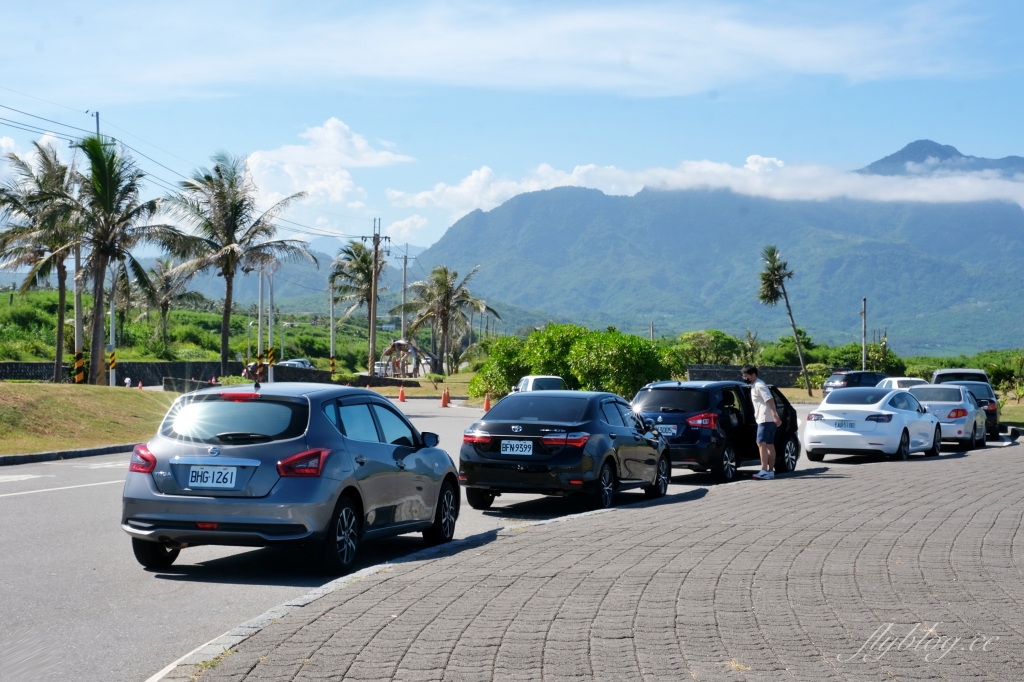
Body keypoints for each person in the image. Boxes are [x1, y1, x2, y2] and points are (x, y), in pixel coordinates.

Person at [741, 365, 782, 480]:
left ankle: (764, 470)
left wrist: (774, 415)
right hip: (765, 419)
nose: (745, 378)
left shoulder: (759, 385)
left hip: (765, 419)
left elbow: (770, 399)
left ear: (753, 375)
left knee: (761, 444)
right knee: (769, 444)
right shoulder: (755, 385)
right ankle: (770, 472)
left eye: (746, 376)